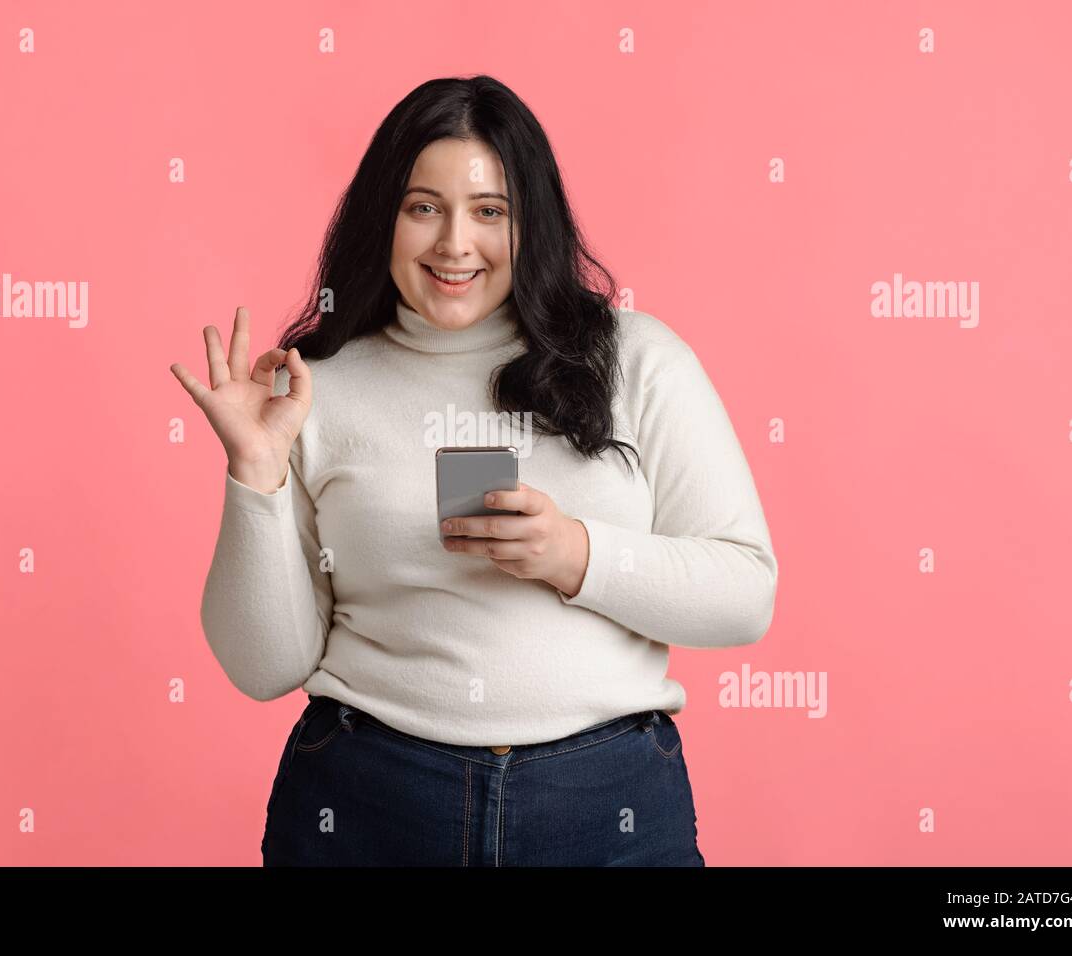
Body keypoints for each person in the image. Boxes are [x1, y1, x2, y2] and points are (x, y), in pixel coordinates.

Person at [169, 75, 778, 866]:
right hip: (370, 803)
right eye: (424, 207)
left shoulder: (639, 359)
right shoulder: (316, 387)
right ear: (382, 218)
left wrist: (575, 555)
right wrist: (255, 472)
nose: (455, 243)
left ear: (534, 224)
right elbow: (265, 667)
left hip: (605, 806)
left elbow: (745, 594)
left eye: (490, 211)